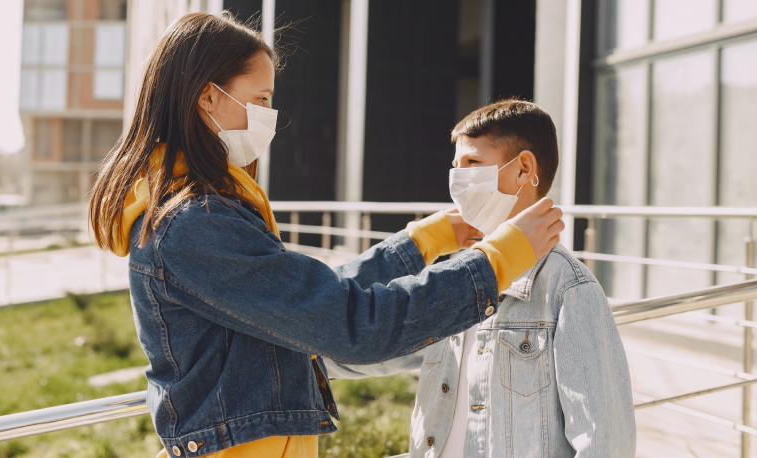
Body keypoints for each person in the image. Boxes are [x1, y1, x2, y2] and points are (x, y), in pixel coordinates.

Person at [87, 13, 564, 458]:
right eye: (260, 99)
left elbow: (313, 298)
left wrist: (426, 241)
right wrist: (497, 259)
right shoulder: (195, 225)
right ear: (207, 97)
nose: (270, 115)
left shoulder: (205, 211)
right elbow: (352, 324)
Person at [326, 99, 636, 458]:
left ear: (523, 169)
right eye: (455, 166)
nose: (458, 179)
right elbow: (360, 350)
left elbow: (605, 443)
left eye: (473, 163)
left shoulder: (567, 287)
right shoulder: (454, 278)